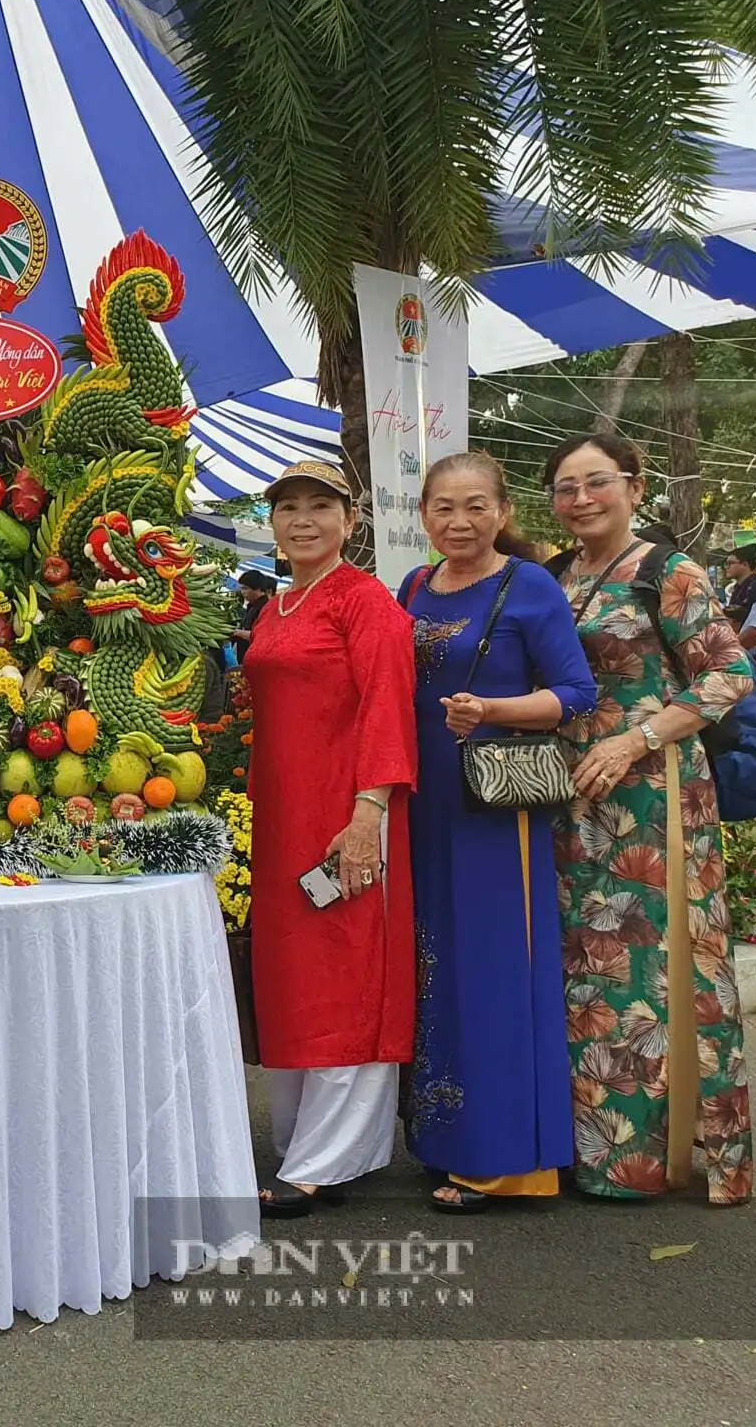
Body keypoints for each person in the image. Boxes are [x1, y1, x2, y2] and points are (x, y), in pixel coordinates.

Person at [545, 432, 755, 1205]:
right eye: (566, 488)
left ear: (634, 487)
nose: (581, 500)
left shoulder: (669, 569)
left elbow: (730, 676)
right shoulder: (557, 576)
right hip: (574, 794)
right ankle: (598, 1149)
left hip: (654, 792)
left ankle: (671, 1154)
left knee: (659, 967)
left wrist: (638, 738)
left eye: (597, 482)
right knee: (590, 967)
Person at [399, 453, 598, 1213]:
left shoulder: (530, 584)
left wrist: (492, 710)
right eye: (444, 507)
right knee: (434, 964)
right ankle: (445, 1139)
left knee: (495, 968)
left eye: (476, 506)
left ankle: (508, 1159)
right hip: (425, 800)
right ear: (423, 513)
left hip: (495, 805)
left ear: (503, 510)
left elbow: (577, 693)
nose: (459, 521)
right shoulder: (414, 588)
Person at [242, 461, 418, 1218]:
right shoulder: (279, 604)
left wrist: (368, 814)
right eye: (288, 509)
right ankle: (305, 1145)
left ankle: (326, 1161)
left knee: (347, 974)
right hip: (283, 821)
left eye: (321, 507)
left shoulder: (365, 601)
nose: (303, 520)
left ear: (351, 522)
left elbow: (387, 708)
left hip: (347, 816)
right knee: (297, 978)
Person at [230, 569, 275, 661]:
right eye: (241, 588)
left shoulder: (266, 608)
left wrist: (239, 633)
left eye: (245, 588)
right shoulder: (252, 606)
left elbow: (263, 636)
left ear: (258, 589)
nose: (242, 592)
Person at [722, 543, 756, 630]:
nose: (726, 567)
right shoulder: (737, 587)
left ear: (744, 565)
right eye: (725, 564)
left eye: (730, 563)